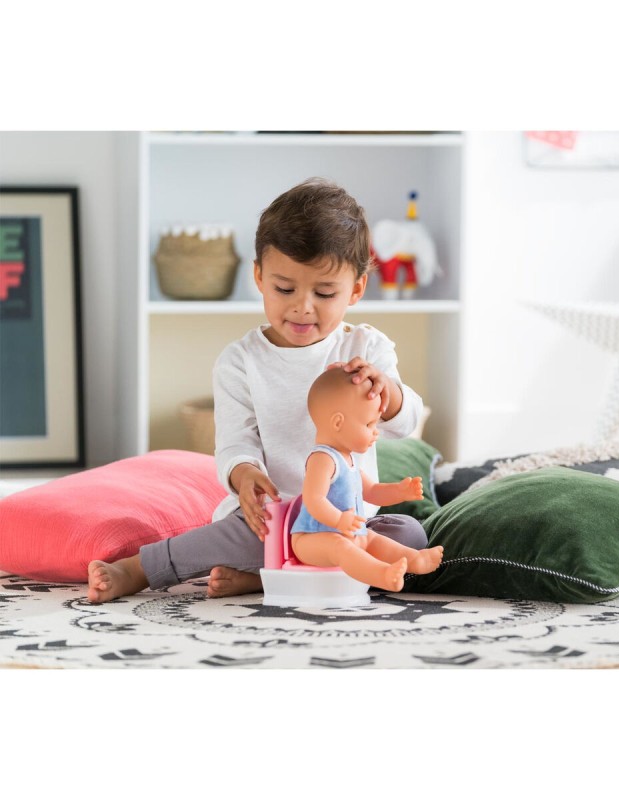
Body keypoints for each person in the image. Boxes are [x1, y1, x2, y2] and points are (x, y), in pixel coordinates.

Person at [87, 178, 428, 603]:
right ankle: (139, 568)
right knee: (228, 538)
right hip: (274, 521)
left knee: (408, 537)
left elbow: (406, 423)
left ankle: (266, 577)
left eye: (324, 292)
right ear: (259, 277)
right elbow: (235, 443)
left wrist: (388, 392)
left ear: (356, 289)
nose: (302, 306)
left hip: (348, 523)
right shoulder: (240, 362)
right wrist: (244, 475)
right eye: (284, 289)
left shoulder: (367, 349)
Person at [289, 366, 443, 592]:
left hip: (349, 532)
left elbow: (372, 491)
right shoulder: (322, 459)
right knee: (339, 546)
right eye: (369, 424)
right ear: (338, 423)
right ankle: (382, 574)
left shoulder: (349, 460)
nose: (376, 431)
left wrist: (400, 491)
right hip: (312, 538)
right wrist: (339, 520)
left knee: (373, 540)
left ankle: (415, 559)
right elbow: (314, 499)